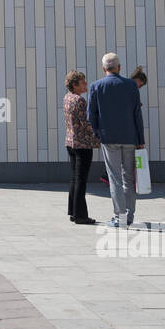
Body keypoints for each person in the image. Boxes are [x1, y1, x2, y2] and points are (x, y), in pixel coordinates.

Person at [87, 52, 145, 228]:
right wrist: (140, 139)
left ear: (104, 68)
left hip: (109, 137)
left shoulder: (96, 86)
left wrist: (98, 132)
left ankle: (119, 217)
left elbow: (92, 115)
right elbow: (137, 115)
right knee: (129, 178)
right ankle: (129, 216)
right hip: (129, 137)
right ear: (119, 68)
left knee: (115, 178)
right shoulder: (131, 86)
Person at [63, 70, 98, 225]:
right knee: (81, 180)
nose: (86, 84)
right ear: (75, 85)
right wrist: (100, 134)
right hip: (82, 144)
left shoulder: (67, 98)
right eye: (83, 82)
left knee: (74, 179)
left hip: (70, 142)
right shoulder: (80, 101)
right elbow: (87, 123)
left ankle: (73, 211)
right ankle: (81, 216)